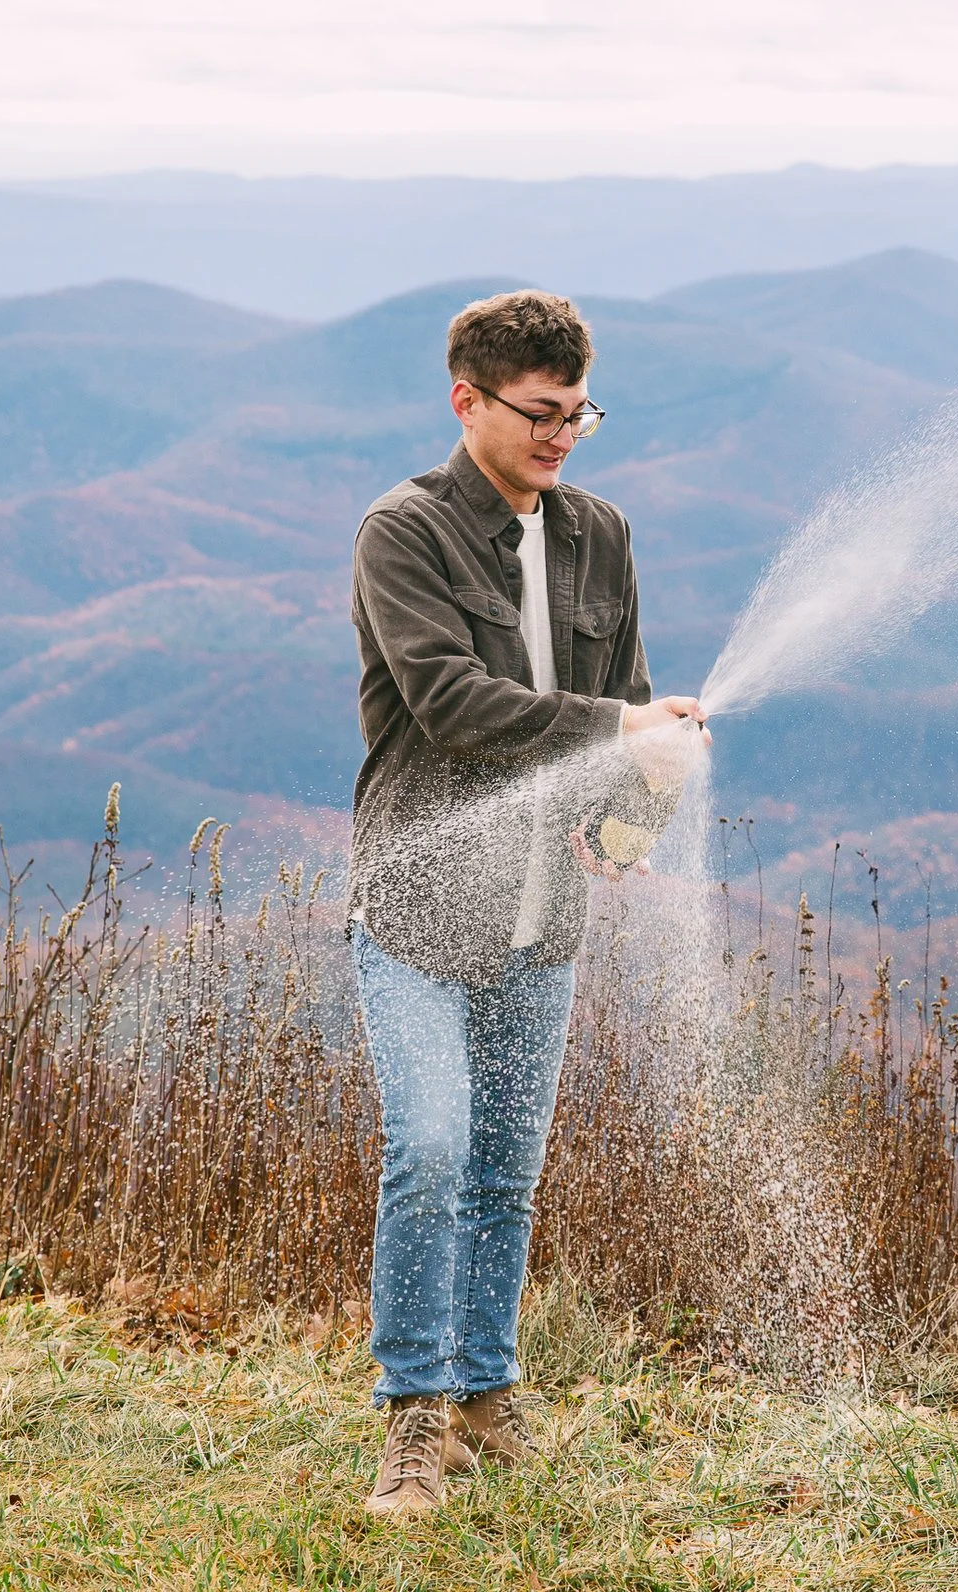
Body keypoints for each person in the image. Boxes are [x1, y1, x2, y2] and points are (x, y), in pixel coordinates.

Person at [345, 289, 706, 1517]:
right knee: (432, 1147)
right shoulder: (402, 534)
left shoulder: (599, 533)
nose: (563, 435)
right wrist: (618, 725)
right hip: (413, 902)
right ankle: (412, 1414)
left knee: (506, 1169)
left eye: (580, 414)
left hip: (544, 909)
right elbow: (451, 703)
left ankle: (487, 1400)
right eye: (541, 413)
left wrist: (632, 816)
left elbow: (633, 697)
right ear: (469, 400)